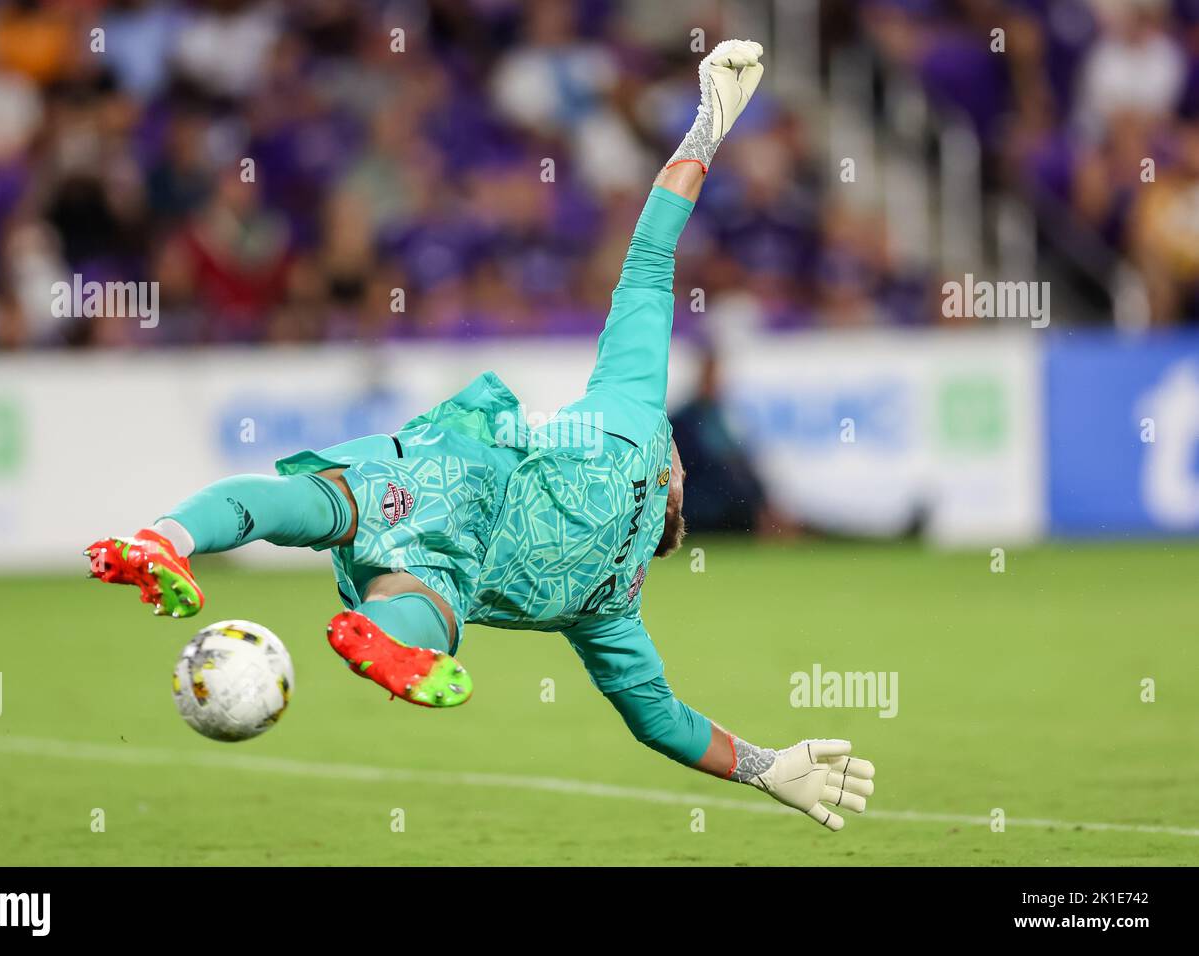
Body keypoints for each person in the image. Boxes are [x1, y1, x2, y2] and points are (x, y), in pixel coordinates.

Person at [85, 41, 874, 831]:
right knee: (421, 598)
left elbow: (651, 253)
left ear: (673, 481)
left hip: (453, 475)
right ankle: (388, 637)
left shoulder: (636, 409)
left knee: (313, 503)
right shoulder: (609, 610)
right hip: (446, 567)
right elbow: (660, 723)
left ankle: (168, 537)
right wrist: (768, 768)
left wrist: (707, 127)